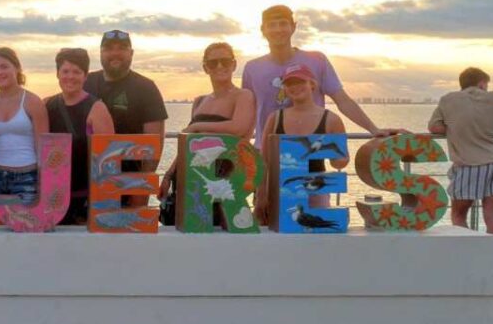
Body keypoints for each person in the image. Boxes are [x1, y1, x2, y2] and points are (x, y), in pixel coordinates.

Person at [243, 4, 401, 146]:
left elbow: (342, 100)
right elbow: (248, 114)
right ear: (263, 29)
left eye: (283, 23)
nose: (278, 29)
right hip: (266, 152)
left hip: (311, 151)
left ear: (293, 27)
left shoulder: (316, 60)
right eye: (271, 25)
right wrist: (242, 148)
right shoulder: (252, 68)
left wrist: (373, 129)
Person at [157, 42, 255, 222]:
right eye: (213, 63)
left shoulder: (243, 96)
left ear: (233, 65)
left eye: (225, 61)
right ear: (205, 68)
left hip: (224, 180)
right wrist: (169, 175)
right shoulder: (199, 101)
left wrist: (196, 128)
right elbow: (188, 145)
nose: (219, 66)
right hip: (193, 179)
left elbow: (238, 128)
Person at [84, 29, 166, 206]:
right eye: (108, 48)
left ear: (131, 53)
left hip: (127, 187)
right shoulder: (85, 83)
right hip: (85, 186)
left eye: (121, 48)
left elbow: (155, 144)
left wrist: (140, 191)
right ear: (100, 53)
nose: (115, 53)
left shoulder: (146, 88)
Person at [256, 63, 348, 221]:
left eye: (300, 81)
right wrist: (261, 195)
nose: (295, 87)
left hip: (316, 192)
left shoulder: (332, 120)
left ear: (312, 84)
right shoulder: (275, 118)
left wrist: (338, 158)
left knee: (314, 239)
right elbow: (263, 161)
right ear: (284, 88)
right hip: (281, 192)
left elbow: (340, 161)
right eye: (290, 83)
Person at [429, 67, 493, 245]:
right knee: (492, 214)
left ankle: (467, 256)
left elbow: (434, 127)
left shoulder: (448, 100)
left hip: (468, 164)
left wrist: (453, 127)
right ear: (481, 83)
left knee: (458, 214)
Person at [0, 47, 48, 223]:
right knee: (1, 234)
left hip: (27, 178)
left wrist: (45, 188)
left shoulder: (33, 102)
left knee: (25, 233)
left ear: (16, 68)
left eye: (4, 66)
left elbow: (44, 149)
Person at [46, 48, 113, 225]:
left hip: (84, 197)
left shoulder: (97, 108)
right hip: (53, 196)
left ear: (85, 76)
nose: (70, 77)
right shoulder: (47, 104)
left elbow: (109, 161)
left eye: (77, 72)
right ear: (57, 74)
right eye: (65, 71)